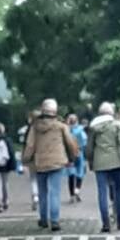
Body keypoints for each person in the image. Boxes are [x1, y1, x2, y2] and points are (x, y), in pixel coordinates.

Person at [23, 99, 78, 232]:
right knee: (55, 192)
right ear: (55, 111)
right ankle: (54, 221)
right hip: (57, 163)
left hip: (40, 163)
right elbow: (70, 143)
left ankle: (43, 219)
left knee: (42, 192)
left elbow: (30, 145)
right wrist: (72, 157)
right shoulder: (61, 126)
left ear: (43, 110)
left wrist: (25, 159)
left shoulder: (35, 127)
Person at [87, 101, 120, 233]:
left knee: (102, 192)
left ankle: (106, 223)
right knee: (119, 190)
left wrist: (90, 160)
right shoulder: (117, 125)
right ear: (111, 113)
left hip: (100, 163)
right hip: (116, 161)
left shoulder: (93, 127)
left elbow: (90, 147)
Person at [19, 111, 40, 210]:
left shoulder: (29, 129)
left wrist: (24, 158)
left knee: (33, 179)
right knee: (42, 179)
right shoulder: (43, 128)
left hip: (32, 158)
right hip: (43, 157)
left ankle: (35, 196)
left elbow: (27, 145)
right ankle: (41, 197)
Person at [66, 114, 88, 203]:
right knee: (80, 173)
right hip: (79, 153)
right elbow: (84, 142)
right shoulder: (81, 130)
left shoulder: (66, 130)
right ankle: (77, 190)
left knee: (71, 174)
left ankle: (72, 195)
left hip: (69, 155)